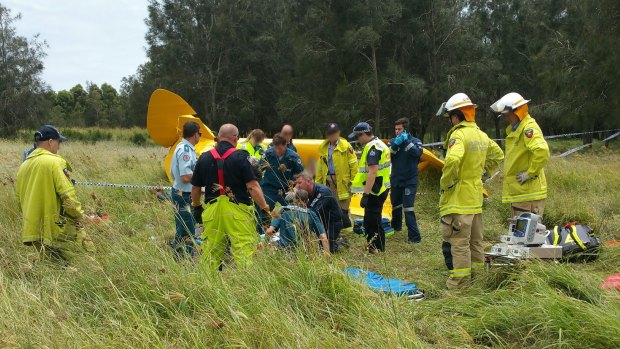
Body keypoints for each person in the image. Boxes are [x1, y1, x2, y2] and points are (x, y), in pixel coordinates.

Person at [436, 93, 504, 289]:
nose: (450, 121)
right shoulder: (481, 135)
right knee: (476, 242)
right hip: (475, 199)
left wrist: (446, 183)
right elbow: (498, 154)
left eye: (450, 117)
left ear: (457, 116)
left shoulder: (458, 135)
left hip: (458, 199)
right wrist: (484, 172)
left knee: (459, 243)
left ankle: (459, 285)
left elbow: (453, 160)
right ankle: (478, 280)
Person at [191, 124, 271, 271]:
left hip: (212, 212)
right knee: (244, 252)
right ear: (235, 138)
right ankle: (247, 289)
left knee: (211, 253)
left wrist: (196, 207)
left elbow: (195, 189)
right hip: (237, 212)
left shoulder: (204, 158)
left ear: (219, 137)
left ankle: (208, 289)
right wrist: (265, 208)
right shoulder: (241, 157)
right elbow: (253, 187)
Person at [16, 125, 95, 263]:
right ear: (51, 141)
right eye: (59, 142)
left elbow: (19, 200)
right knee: (87, 260)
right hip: (58, 228)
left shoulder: (24, 166)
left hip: (33, 229)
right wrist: (80, 215)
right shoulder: (54, 161)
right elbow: (67, 195)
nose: (59, 147)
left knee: (51, 268)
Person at [491, 92, 550, 217]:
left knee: (528, 235)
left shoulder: (528, 128)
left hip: (528, 194)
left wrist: (530, 173)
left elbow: (542, 151)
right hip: (521, 193)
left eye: (507, 115)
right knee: (520, 234)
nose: (506, 118)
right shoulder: (517, 129)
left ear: (517, 112)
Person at [348, 122, 391, 253]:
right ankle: (378, 247)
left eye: (357, 136)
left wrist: (365, 195)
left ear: (364, 134)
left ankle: (375, 248)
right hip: (380, 187)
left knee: (371, 221)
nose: (357, 139)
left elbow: (372, 172)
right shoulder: (379, 144)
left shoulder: (373, 148)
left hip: (375, 190)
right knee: (374, 219)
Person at [315, 123, 358, 232]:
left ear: (338, 133)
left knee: (343, 206)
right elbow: (320, 167)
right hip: (328, 180)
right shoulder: (324, 148)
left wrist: (353, 182)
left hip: (343, 181)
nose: (332, 136)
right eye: (330, 134)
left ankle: (346, 226)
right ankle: (335, 226)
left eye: (334, 133)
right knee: (330, 205)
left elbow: (353, 165)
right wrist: (318, 183)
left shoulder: (346, 146)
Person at [389, 118, 424, 243]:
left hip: (410, 180)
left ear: (405, 130)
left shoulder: (415, 141)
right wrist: (396, 144)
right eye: (396, 129)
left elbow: (418, 153)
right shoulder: (393, 141)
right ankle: (396, 227)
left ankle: (414, 237)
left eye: (399, 129)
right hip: (396, 179)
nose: (397, 132)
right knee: (395, 205)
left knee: (408, 208)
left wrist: (407, 142)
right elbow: (389, 155)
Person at [169, 121, 200, 258]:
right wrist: (201, 183)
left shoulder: (185, 148)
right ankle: (185, 257)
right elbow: (186, 176)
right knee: (187, 229)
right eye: (200, 133)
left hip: (184, 193)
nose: (200, 136)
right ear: (195, 135)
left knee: (184, 226)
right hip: (184, 194)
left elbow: (172, 172)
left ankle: (178, 253)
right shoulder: (185, 150)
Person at [265, 189, 330, 253]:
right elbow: (324, 238)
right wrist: (327, 256)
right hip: (303, 252)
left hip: (284, 251)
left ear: (294, 200)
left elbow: (269, 231)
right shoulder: (311, 214)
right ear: (307, 201)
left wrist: (264, 244)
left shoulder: (284, 210)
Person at [295, 171, 344, 253]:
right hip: (320, 221)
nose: (297, 186)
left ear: (309, 181)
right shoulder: (306, 192)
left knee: (326, 249)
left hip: (332, 223)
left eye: (299, 183)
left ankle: (340, 243)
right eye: (296, 183)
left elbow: (312, 212)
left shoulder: (323, 192)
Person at [260, 133, 304, 209]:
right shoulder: (268, 154)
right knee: (264, 211)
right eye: (275, 148)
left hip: (286, 189)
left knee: (291, 211)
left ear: (285, 145)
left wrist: (295, 189)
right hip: (269, 187)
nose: (277, 151)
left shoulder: (293, 157)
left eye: (280, 148)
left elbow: (301, 174)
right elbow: (259, 168)